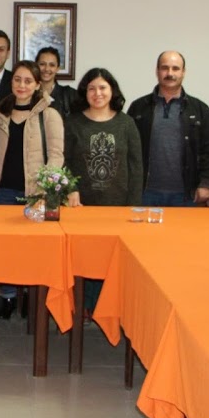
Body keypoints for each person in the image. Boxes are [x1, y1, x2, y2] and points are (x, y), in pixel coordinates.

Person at [0, 60, 64, 318]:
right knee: (5, 250)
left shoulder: (48, 114)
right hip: (4, 191)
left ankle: (31, 295)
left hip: (35, 194)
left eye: (28, 81)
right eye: (17, 80)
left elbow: (56, 156)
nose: (22, 85)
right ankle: (7, 297)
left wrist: (46, 192)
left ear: (38, 84)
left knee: (33, 250)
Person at [64, 67, 142, 316]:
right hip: (81, 206)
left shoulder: (126, 123)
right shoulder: (73, 123)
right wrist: (70, 189)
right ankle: (83, 307)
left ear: (112, 91)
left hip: (117, 206)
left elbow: (136, 166)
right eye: (91, 88)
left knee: (111, 260)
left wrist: (133, 205)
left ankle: (107, 309)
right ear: (84, 92)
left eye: (103, 87)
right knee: (84, 258)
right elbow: (61, 161)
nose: (97, 93)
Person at [127, 51, 209, 207]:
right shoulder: (139, 108)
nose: (170, 73)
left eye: (175, 68)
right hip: (145, 193)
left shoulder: (200, 109)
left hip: (187, 195)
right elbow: (128, 150)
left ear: (183, 72)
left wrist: (206, 184)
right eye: (165, 68)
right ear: (157, 71)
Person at [35, 47, 76, 117]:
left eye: (52, 65)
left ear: (57, 68)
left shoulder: (69, 95)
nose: (47, 69)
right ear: (36, 66)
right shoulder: (28, 94)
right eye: (42, 64)